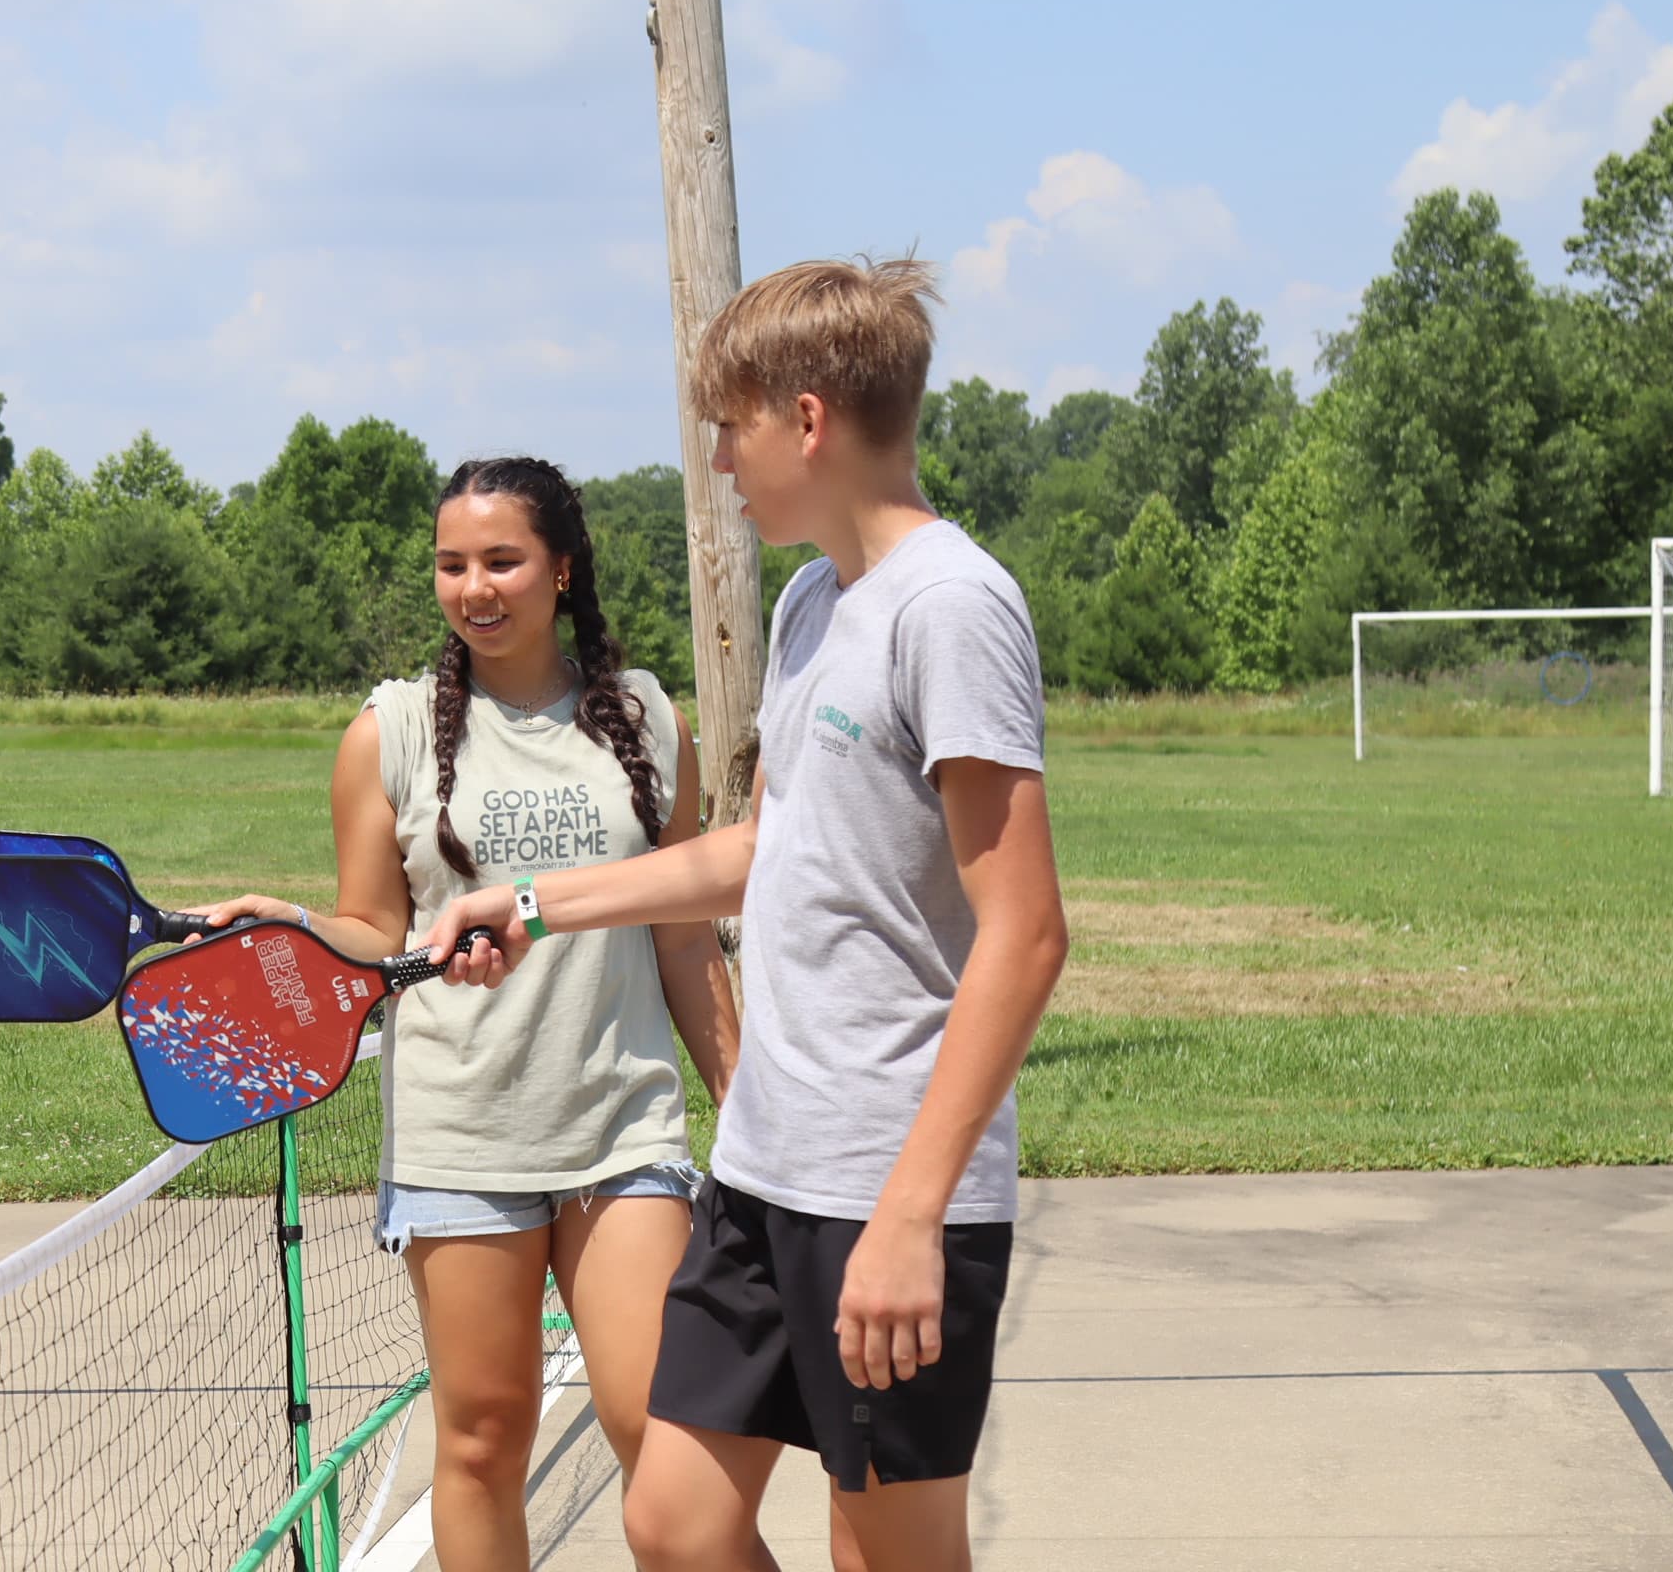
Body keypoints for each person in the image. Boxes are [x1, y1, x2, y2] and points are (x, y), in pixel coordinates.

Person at [426, 258, 1071, 1572]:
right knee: (675, 1521)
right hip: (767, 1168)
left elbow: (1028, 930)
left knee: (887, 1551)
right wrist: (539, 903)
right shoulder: (813, 603)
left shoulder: (950, 606)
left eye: (732, 425)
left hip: (885, 1185)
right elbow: (761, 856)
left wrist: (909, 1215)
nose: (719, 459)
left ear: (810, 418)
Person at [199, 455, 736, 1572]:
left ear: (561, 569)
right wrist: (289, 926)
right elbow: (370, 930)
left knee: (664, 1438)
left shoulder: (644, 717)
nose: (474, 586)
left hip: (622, 1130)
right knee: (483, 1443)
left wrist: (746, 1097)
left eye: (502, 560)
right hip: (464, 1135)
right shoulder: (387, 731)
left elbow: (684, 929)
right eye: (451, 564)